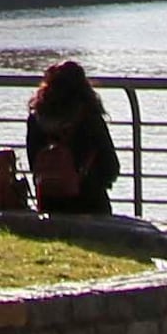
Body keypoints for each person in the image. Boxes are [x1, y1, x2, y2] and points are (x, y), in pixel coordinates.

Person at [25, 62, 120, 220]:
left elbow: (34, 162)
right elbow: (110, 167)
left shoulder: (36, 119)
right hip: (90, 202)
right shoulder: (90, 119)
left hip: (50, 202)